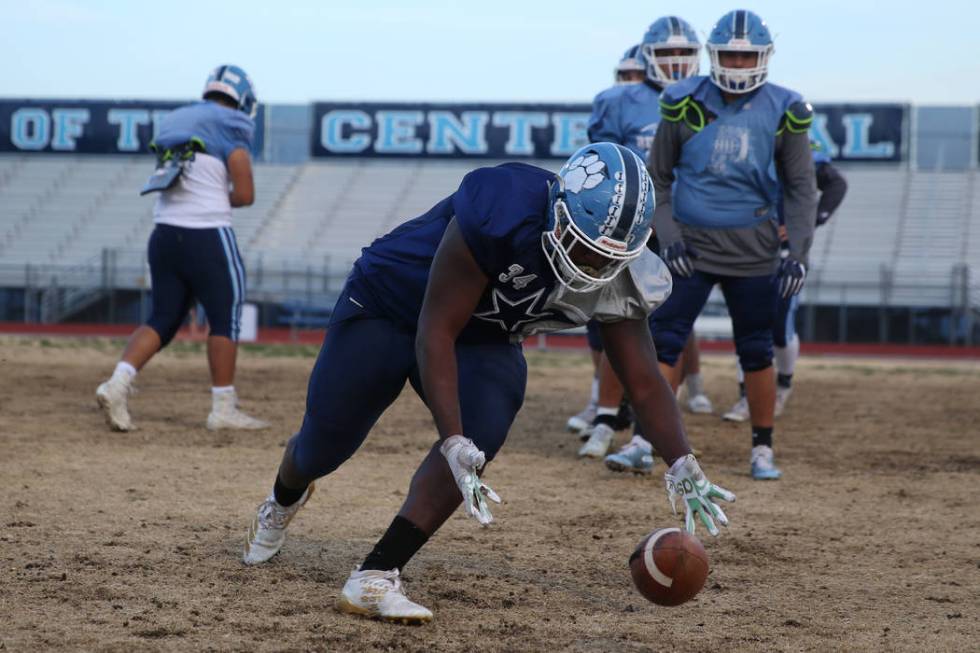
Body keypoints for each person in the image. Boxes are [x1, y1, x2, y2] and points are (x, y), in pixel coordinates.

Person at [241, 143, 735, 624]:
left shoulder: (618, 268)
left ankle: (376, 573)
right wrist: (449, 436)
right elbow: (436, 330)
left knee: (484, 431)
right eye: (585, 251)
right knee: (325, 446)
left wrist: (681, 460)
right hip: (391, 305)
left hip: (486, 335)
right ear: (559, 211)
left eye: (608, 260)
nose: (593, 270)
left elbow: (644, 381)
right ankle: (283, 499)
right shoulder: (502, 210)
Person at [642, 9, 818, 481]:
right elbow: (656, 177)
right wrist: (669, 236)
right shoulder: (683, 100)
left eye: (747, 57)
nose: (738, 66)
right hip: (690, 246)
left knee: (756, 348)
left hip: (754, 247)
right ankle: (650, 441)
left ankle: (762, 448)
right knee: (665, 339)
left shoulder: (786, 107)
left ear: (763, 57)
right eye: (730, 56)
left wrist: (798, 252)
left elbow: (802, 187)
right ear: (713, 55)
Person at [95, 65, 268, 432]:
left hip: (164, 235)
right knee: (226, 316)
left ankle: (118, 383)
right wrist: (221, 194)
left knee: (161, 318)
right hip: (207, 235)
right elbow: (246, 193)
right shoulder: (231, 125)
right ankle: (222, 408)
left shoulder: (176, 121)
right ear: (241, 98)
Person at [575, 16, 711, 463]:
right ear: (648, 56)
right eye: (666, 53)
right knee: (618, 321)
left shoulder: (712, 99)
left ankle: (649, 427)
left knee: (667, 329)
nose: (674, 63)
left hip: (684, 226)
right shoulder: (619, 101)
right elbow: (605, 165)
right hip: (631, 225)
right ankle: (605, 416)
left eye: (681, 53)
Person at [723, 140, 848, 421]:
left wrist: (809, 221)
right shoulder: (742, 141)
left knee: (780, 327)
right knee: (748, 324)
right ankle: (747, 395)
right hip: (746, 249)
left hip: (784, 255)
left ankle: (782, 385)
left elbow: (836, 183)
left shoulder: (799, 144)